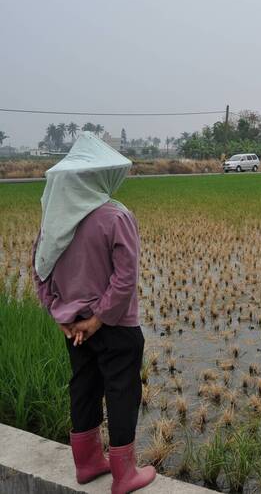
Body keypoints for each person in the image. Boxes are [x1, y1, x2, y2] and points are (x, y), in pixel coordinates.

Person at [32, 132, 156, 494]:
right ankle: (124, 474)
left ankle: (86, 464)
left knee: (83, 386)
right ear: (96, 177)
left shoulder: (54, 220)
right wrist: (99, 318)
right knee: (122, 390)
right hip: (114, 325)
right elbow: (124, 278)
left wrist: (62, 316)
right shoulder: (116, 216)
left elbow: (40, 271)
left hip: (73, 328)